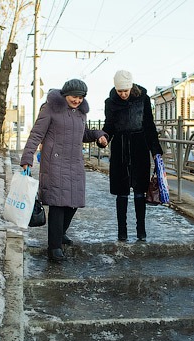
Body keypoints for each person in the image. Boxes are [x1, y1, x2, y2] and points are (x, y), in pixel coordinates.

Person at [21, 79, 108, 262]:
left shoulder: (81, 113)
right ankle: (54, 247)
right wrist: (27, 158)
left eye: (81, 97)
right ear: (65, 94)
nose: (77, 100)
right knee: (58, 204)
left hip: (74, 162)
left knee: (74, 202)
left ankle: (60, 233)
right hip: (54, 162)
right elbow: (36, 134)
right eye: (74, 96)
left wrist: (99, 135)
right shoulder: (50, 108)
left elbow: (82, 134)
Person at [103, 70, 164, 241]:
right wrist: (103, 139)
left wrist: (155, 151)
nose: (123, 94)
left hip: (139, 147)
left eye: (125, 90)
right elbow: (109, 127)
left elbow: (149, 125)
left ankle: (141, 231)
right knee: (121, 193)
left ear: (131, 87)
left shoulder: (143, 99)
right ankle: (122, 232)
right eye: (120, 91)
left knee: (140, 192)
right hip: (120, 148)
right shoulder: (110, 102)